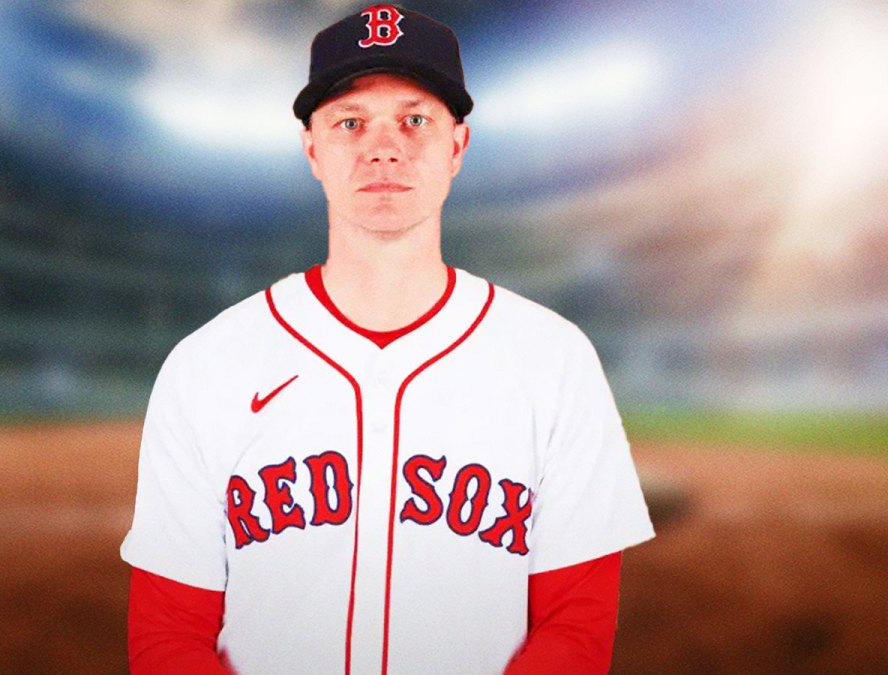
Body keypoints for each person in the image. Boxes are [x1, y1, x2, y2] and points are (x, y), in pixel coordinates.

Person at [120, 5, 655, 674]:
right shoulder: (207, 365)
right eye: (350, 123)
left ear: (457, 147)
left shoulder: (555, 361)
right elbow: (168, 633)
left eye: (415, 119)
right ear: (312, 148)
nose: (383, 146)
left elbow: (574, 628)